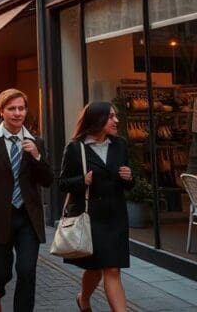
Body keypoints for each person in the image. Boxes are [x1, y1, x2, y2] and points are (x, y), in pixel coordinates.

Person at [0, 88, 53, 312]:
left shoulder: (36, 142)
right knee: (1, 273)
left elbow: (47, 180)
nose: (17, 113)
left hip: (28, 218)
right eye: (12, 109)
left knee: (27, 271)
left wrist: (36, 156)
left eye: (21, 108)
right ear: (2, 111)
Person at [60, 101, 133, 312]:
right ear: (97, 119)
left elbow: (126, 184)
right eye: (111, 117)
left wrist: (129, 178)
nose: (116, 120)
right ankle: (84, 299)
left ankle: (86, 299)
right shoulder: (75, 148)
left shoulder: (120, 144)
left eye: (115, 116)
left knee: (111, 269)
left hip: (116, 216)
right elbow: (63, 183)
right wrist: (82, 180)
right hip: (91, 218)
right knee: (98, 268)